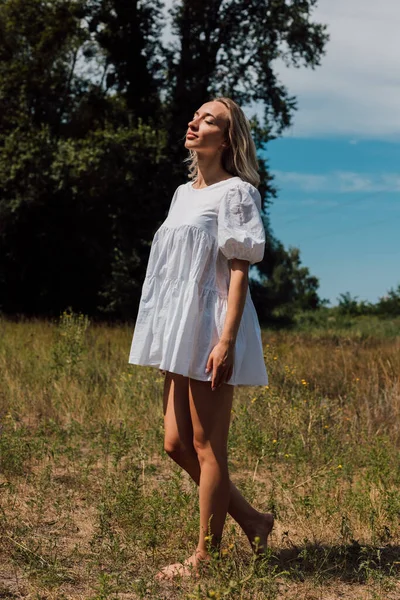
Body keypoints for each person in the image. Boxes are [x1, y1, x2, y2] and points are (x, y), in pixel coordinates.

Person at [128, 97, 274, 580]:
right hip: (180, 325)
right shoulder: (181, 193)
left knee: (208, 446)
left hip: (211, 326)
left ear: (228, 139)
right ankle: (253, 520)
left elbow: (238, 271)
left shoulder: (236, 193)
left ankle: (205, 558)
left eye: (209, 119)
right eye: (195, 115)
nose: (195, 122)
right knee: (175, 444)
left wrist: (226, 339)